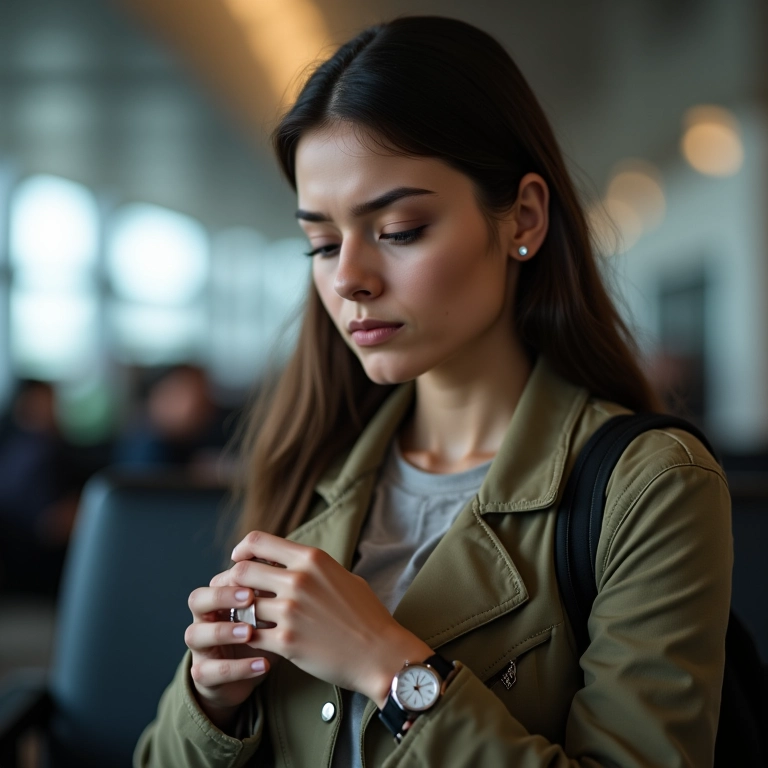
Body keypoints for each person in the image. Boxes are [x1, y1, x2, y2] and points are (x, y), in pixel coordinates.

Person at [135, 16, 732, 768]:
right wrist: (209, 699)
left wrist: (390, 667)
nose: (347, 276)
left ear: (523, 217)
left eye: (399, 228)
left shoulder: (650, 486)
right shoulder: (316, 466)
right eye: (321, 243)